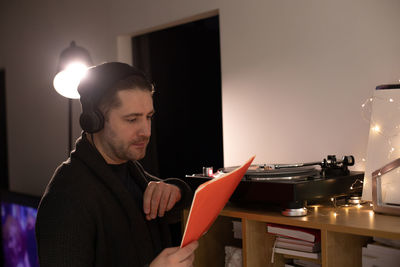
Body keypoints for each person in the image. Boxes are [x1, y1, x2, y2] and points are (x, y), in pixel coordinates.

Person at [35, 62, 198, 267]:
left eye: (148, 117)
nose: (146, 131)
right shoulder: (66, 198)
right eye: (132, 120)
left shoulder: (129, 171)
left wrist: (175, 190)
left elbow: (180, 202)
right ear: (93, 121)